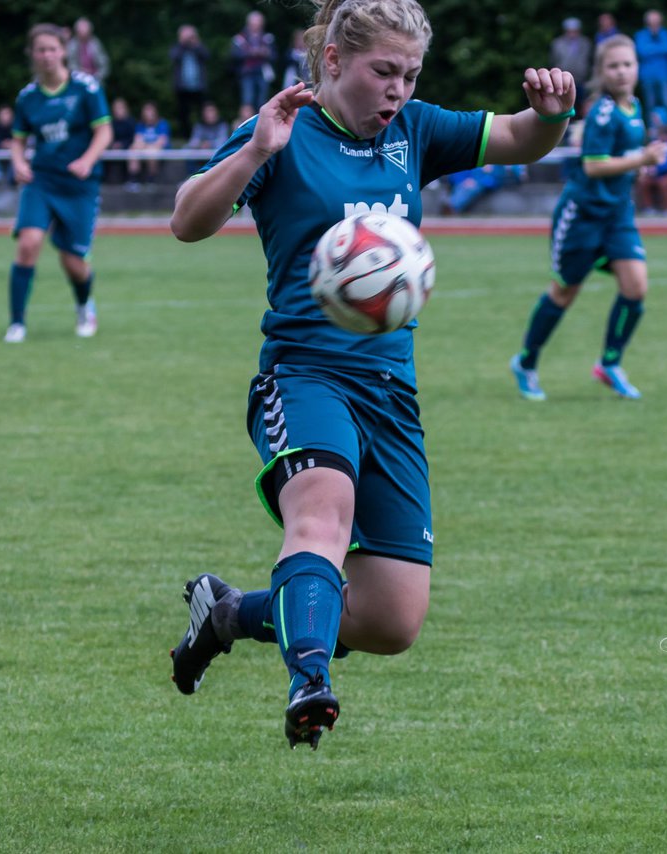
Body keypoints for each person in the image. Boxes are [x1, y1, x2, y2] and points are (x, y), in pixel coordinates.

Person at [167, 0, 577, 750]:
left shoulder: (414, 130)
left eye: (410, 74)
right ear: (332, 62)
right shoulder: (286, 130)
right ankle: (310, 680)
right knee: (319, 517)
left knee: (391, 619)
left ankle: (225, 615)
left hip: (388, 391)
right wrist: (254, 151)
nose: (398, 89)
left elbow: (520, 138)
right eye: (383, 71)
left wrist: (549, 115)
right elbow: (187, 218)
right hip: (303, 375)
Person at [509, 34, 665, 403]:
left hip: (616, 216)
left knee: (636, 287)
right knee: (564, 292)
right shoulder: (602, 113)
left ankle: (609, 364)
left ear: (637, 68)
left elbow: (620, 161)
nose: (622, 71)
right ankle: (526, 362)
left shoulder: (635, 108)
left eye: (627, 64)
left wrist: (636, 169)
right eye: (613, 66)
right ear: (601, 72)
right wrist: (641, 160)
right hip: (582, 216)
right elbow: (594, 167)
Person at [4, 23, 112, 344]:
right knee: (28, 244)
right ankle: (16, 324)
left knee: (73, 262)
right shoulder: (27, 98)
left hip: (79, 186)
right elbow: (17, 141)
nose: (47, 55)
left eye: (52, 49)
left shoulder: (86, 89)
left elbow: (104, 132)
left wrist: (87, 160)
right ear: (32, 54)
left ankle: (83, 307)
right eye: (41, 50)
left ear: (63, 51)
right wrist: (19, 163)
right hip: (42, 181)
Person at [634, 10, 667, 128]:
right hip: (647, 76)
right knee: (650, 106)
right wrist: (658, 49)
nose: (654, 25)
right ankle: (653, 132)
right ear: (647, 22)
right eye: (652, 22)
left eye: (656, 22)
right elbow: (641, 51)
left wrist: (650, 49)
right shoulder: (640, 35)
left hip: (664, 76)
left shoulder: (666, 34)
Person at [231, 11, 277, 115]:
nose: (256, 26)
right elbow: (234, 56)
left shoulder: (268, 38)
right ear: (248, 24)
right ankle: (247, 126)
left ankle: (261, 124)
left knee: (262, 100)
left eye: (258, 23)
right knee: (247, 101)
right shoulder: (240, 38)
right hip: (247, 73)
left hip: (263, 72)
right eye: (253, 23)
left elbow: (275, 56)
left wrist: (266, 53)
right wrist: (250, 53)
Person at [170, 25, 210, 140]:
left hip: (199, 86)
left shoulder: (197, 47)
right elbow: (173, 56)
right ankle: (186, 137)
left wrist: (196, 43)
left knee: (203, 113)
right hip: (182, 88)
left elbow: (206, 55)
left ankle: (204, 137)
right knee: (183, 114)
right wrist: (182, 43)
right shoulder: (178, 48)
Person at [441, 163, 525, 214]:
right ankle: (451, 206)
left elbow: (516, 175)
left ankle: (452, 206)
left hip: (486, 182)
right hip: (473, 180)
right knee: (464, 186)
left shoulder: (501, 163)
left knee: (472, 187)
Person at [127, 100, 169, 186]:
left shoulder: (162, 124)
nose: (148, 113)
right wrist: (144, 145)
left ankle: (151, 179)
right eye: (146, 110)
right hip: (143, 149)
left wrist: (146, 145)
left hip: (158, 150)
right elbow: (137, 141)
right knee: (133, 149)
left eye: (150, 110)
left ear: (155, 111)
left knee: (152, 151)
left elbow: (161, 142)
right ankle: (133, 179)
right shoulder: (140, 125)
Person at [549, 18, 591, 100]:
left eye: (574, 31)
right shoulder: (557, 43)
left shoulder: (585, 43)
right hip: (562, 80)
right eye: (569, 31)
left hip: (581, 80)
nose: (572, 34)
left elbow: (589, 60)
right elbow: (553, 61)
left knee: (581, 104)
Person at [183, 102, 229, 174]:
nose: (209, 114)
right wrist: (200, 144)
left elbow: (224, 141)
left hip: (217, 155)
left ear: (217, 113)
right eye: (207, 112)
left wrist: (210, 144)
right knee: (187, 152)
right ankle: (191, 178)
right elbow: (193, 142)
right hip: (200, 155)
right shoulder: (199, 125)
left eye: (211, 111)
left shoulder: (222, 125)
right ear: (203, 114)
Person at [66, 18, 110, 86]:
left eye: (85, 32)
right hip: (77, 80)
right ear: (77, 32)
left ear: (90, 32)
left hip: (97, 80)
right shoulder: (72, 45)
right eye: (80, 32)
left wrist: (97, 76)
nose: (83, 34)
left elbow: (104, 63)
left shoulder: (96, 43)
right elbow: (70, 63)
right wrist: (81, 73)